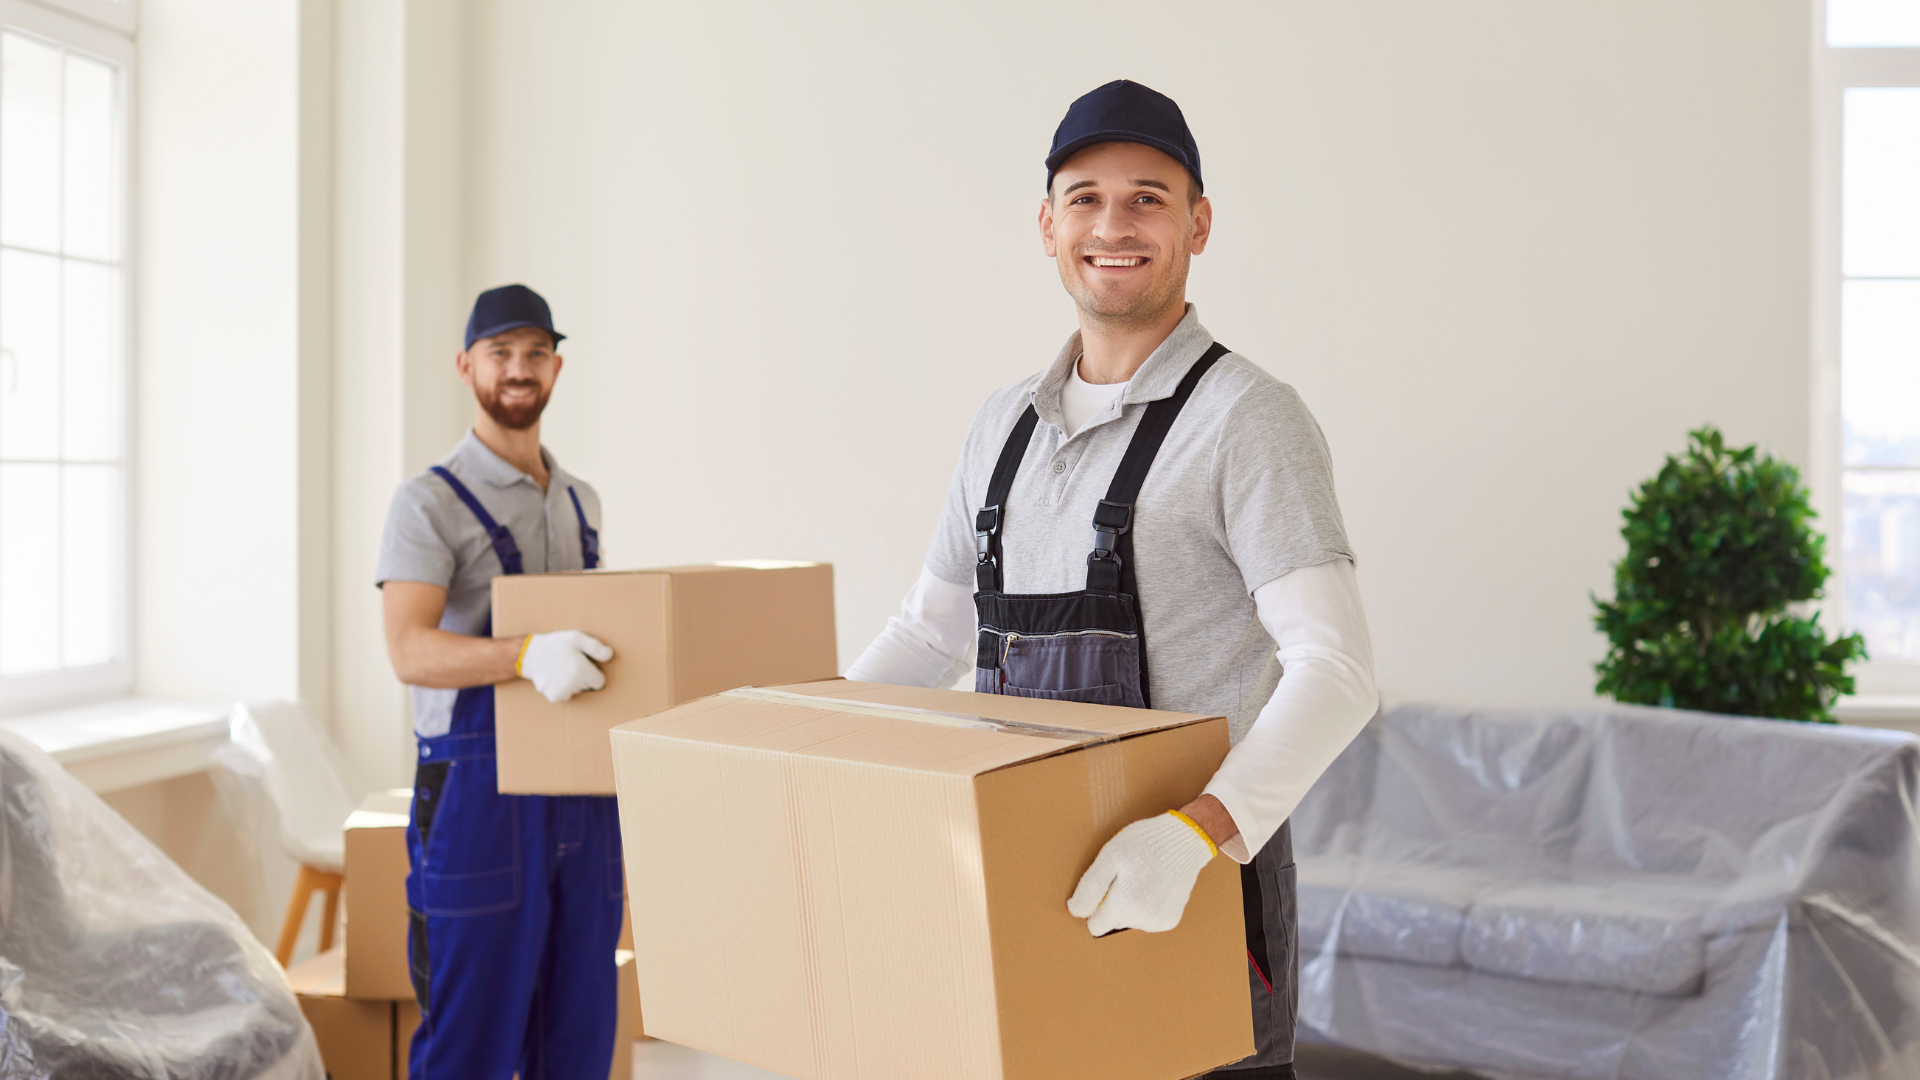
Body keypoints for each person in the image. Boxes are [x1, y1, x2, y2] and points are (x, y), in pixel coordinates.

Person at [845, 81, 1378, 1079]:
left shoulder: (1249, 420)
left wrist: (1192, 837)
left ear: (1198, 223)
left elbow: (1337, 669)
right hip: (1019, 894)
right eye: (1084, 198)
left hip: (1194, 900)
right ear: (1047, 227)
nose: (1113, 224)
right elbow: (928, 636)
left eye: (1147, 197)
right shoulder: (999, 427)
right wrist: (808, 741)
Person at [376, 284, 624, 1079]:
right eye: (500, 354)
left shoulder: (582, 501)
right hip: (477, 803)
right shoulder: (428, 503)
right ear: (466, 367)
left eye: (535, 353)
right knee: (470, 1047)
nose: (519, 370)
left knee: (578, 1038)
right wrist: (522, 657)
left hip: (583, 799)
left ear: (557, 366)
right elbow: (410, 651)